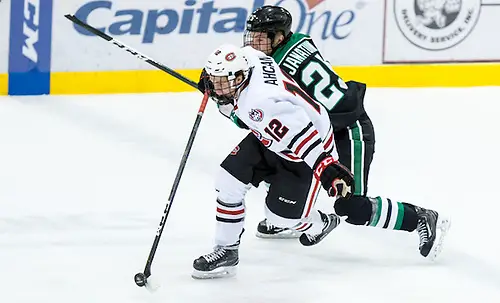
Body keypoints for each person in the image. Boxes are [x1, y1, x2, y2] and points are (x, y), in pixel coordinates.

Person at [242, 6, 450, 259]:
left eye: (262, 37)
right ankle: (285, 216)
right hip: (322, 128)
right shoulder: (298, 41)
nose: (255, 43)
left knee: (350, 206)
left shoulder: (275, 68)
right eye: (253, 36)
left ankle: (419, 217)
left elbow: (254, 109)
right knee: (275, 155)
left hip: (348, 130)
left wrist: (228, 96)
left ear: (279, 37)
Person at [192, 43, 355, 279]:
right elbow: (243, 53)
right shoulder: (249, 57)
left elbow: (303, 137)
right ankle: (226, 250)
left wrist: (326, 167)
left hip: (304, 153)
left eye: (222, 81)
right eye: (213, 80)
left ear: (240, 77)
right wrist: (216, 84)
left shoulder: (260, 103)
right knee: (227, 182)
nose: (216, 86)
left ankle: (321, 224)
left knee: (281, 218)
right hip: (270, 137)